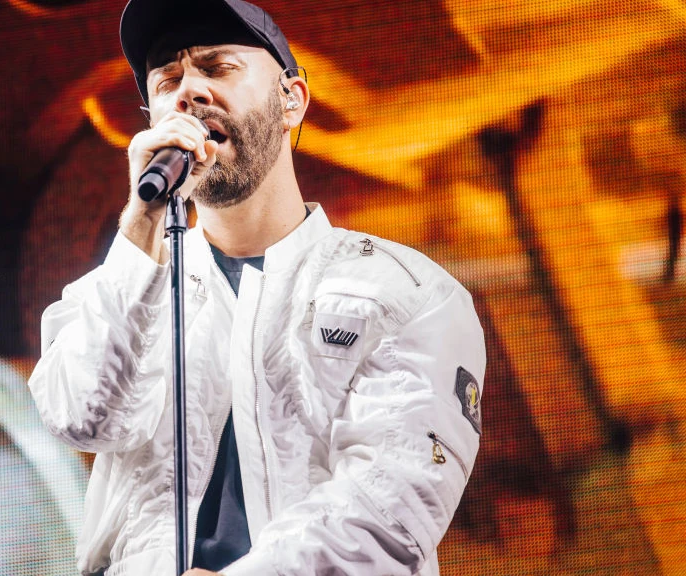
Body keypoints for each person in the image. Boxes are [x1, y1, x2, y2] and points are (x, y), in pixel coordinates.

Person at [27, 0, 487, 574]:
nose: (189, 92)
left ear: (291, 100)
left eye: (217, 67)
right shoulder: (117, 288)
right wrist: (143, 221)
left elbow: (390, 505)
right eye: (167, 81)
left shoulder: (406, 292)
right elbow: (82, 418)